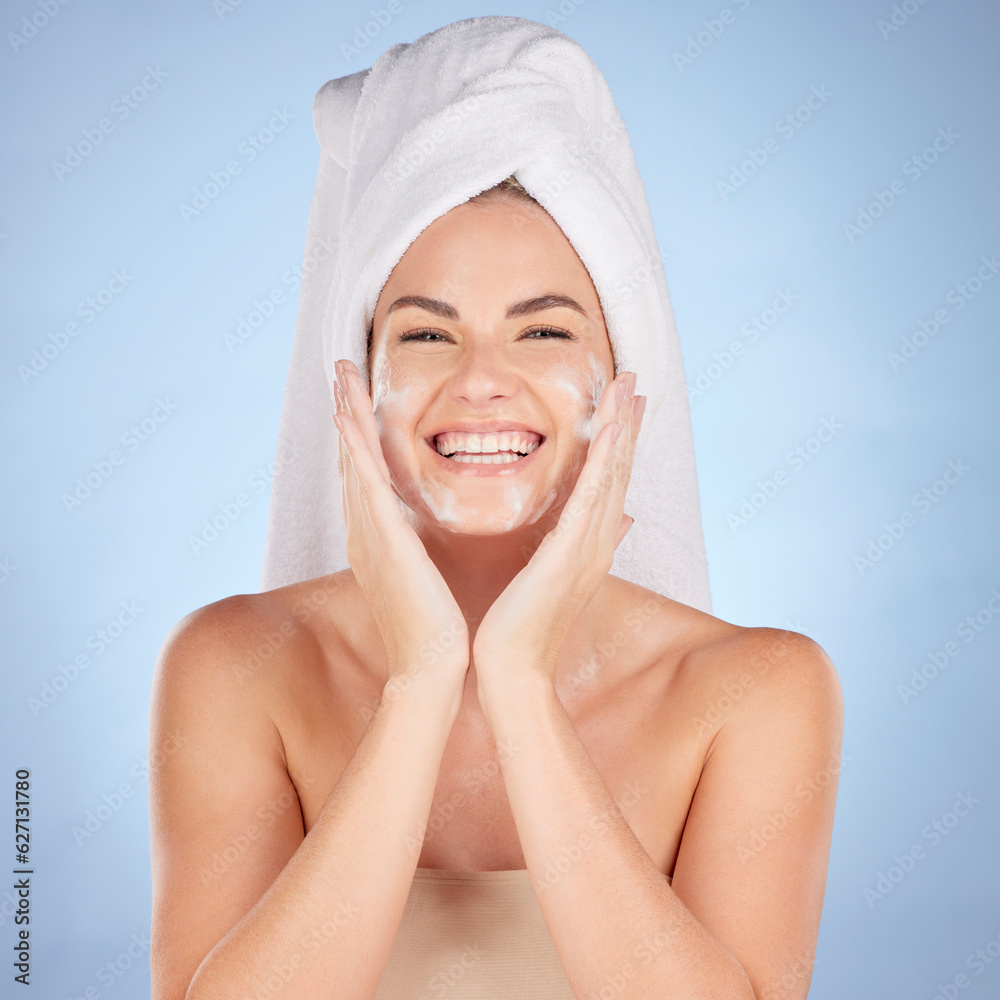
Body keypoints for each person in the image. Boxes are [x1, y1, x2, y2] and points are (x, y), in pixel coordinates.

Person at [148, 17, 843, 1000]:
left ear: (620, 381)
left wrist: (518, 681)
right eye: (429, 335)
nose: (482, 382)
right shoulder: (235, 668)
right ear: (352, 388)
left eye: (543, 330)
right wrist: (422, 679)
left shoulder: (756, 691)